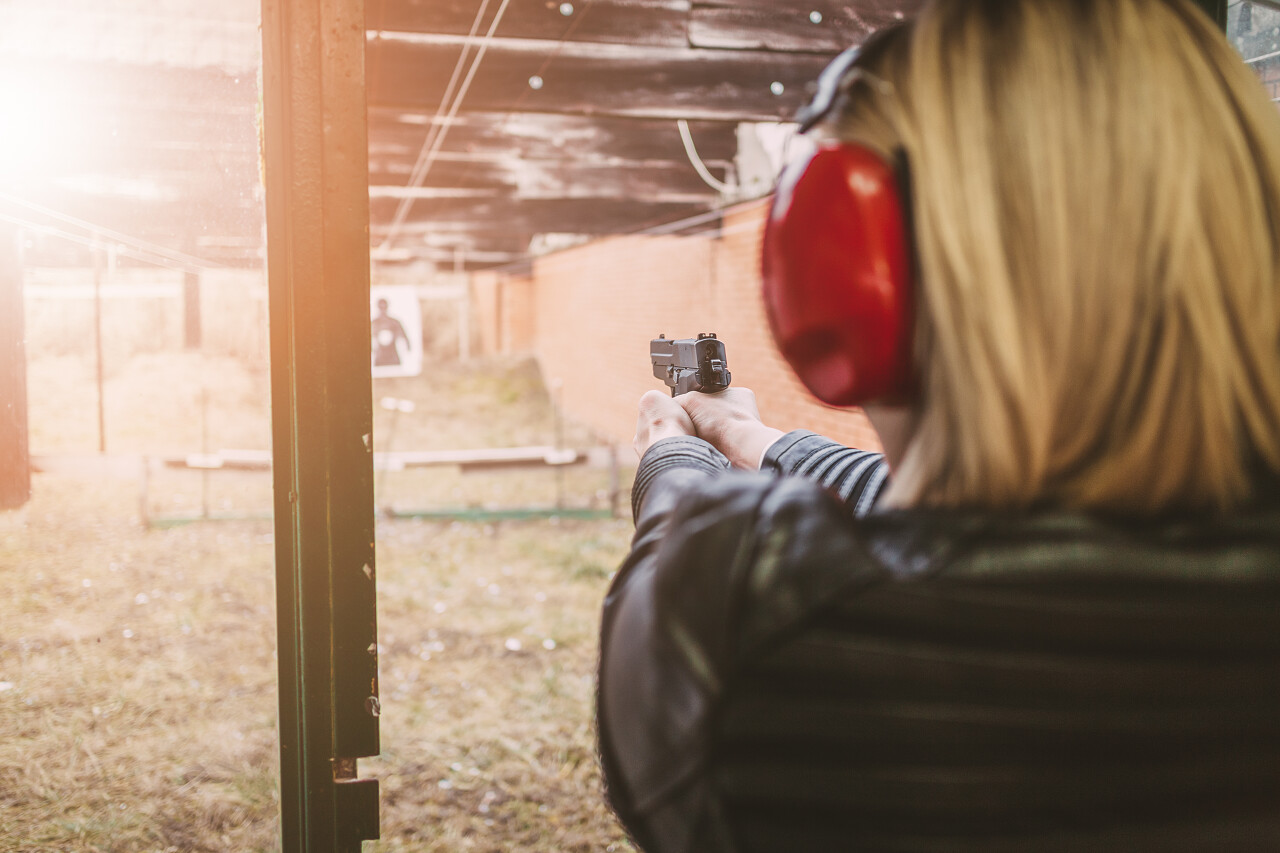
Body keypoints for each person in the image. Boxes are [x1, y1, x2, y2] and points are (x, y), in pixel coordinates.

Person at [597, 1, 1280, 851]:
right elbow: (962, 516)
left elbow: (684, 569)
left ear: (843, 281)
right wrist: (754, 440)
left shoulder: (752, 628)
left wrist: (670, 453)